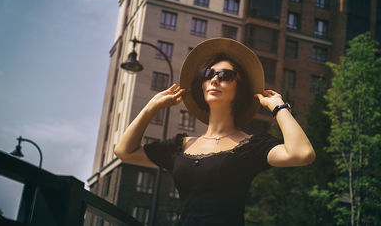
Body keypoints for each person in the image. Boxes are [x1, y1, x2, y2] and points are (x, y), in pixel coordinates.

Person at [114, 38, 315, 225]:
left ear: (240, 87)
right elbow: (125, 151)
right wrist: (151, 107)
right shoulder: (180, 145)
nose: (214, 80)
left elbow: (302, 153)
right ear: (201, 84)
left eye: (225, 75)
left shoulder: (252, 146)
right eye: (208, 74)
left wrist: (279, 108)